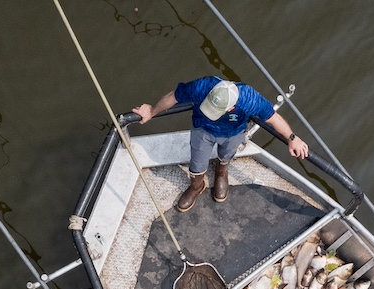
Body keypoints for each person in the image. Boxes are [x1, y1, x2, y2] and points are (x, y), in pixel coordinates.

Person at [133, 77, 310, 212]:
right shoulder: (203, 86)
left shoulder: (249, 99)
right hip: (202, 130)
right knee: (197, 164)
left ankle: (221, 171)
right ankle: (197, 186)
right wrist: (152, 111)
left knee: (226, 155)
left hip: (232, 134)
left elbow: (274, 118)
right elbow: (173, 96)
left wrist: (292, 138)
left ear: (231, 107)